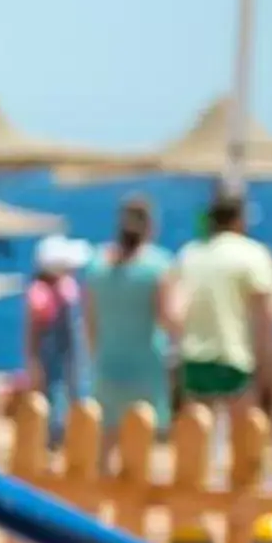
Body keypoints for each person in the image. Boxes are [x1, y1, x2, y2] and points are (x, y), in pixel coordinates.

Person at [169, 189, 272, 410]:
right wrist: (266, 371)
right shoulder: (254, 255)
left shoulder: (190, 254)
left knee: (196, 435)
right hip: (235, 360)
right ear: (240, 219)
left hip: (194, 360)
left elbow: (175, 314)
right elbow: (265, 318)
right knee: (243, 438)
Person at [82, 193, 175, 454]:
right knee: (142, 449)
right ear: (150, 225)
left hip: (107, 363)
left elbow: (89, 322)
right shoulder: (158, 265)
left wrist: (95, 358)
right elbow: (168, 318)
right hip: (147, 367)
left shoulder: (97, 264)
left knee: (104, 446)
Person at [22, 235, 89, 443]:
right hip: (53, 357)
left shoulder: (57, 289)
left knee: (65, 392)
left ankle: (63, 435)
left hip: (63, 355)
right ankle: (56, 437)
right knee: (54, 395)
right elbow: (33, 332)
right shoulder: (43, 294)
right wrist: (33, 361)